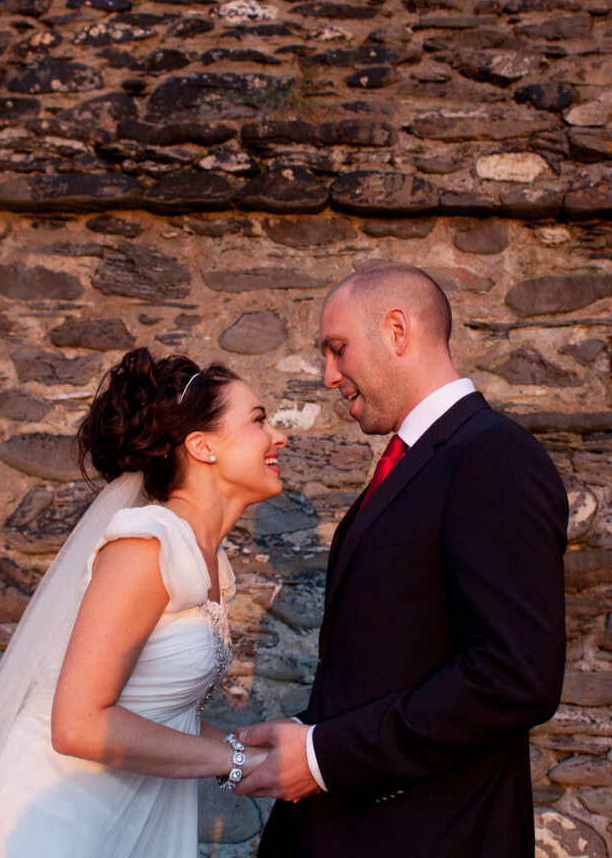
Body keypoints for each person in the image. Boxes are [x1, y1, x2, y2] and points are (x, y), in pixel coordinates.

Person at [235, 262, 568, 858]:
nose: (328, 375)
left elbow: (513, 676)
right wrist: (312, 738)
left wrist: (322, 757)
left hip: (434, 835)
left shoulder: (492, 455)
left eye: (337, 350)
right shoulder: (416, 462)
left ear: (397, 330)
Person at [0, 347, 288, 857]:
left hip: (133, 816)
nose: (279, 436)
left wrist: (263, 747)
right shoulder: (145, 547)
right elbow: (78, 724)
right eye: (259, 420)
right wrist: (238, 763)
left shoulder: (202, 560)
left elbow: (162, 714)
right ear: (202, 446)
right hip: (60, 825)